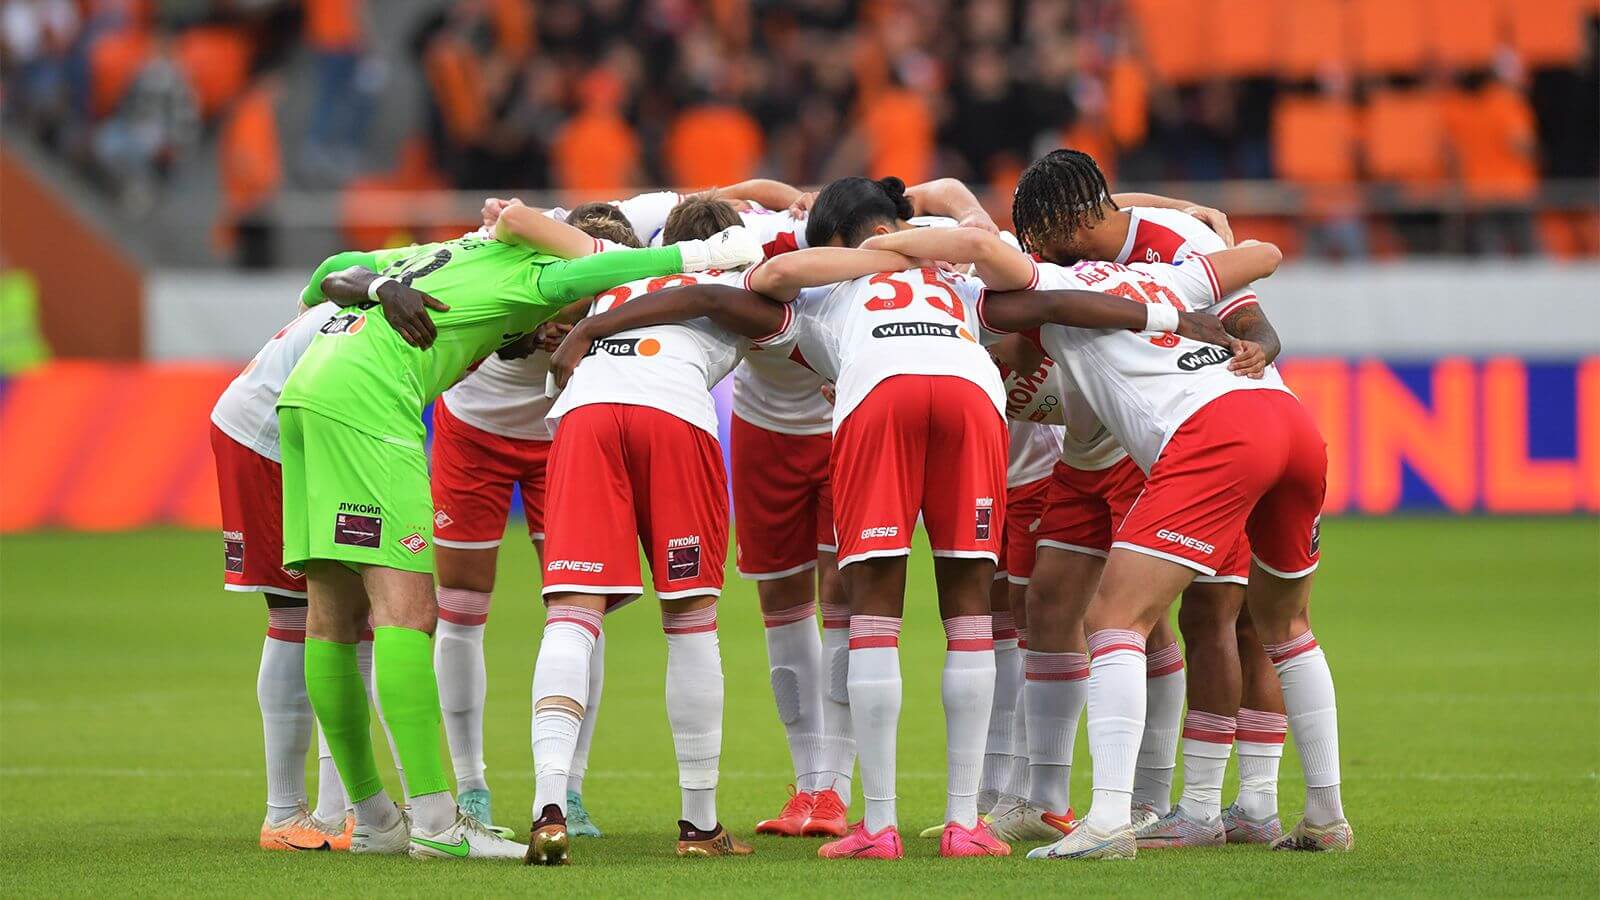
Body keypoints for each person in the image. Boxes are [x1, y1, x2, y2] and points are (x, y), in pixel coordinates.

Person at [277, 207, 762, 860]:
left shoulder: (447, 251)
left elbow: (328, 273)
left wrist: (380, 287)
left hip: (306, 396)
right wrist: (702, 256)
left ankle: (374, 818)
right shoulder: (539, 275)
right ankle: (439, 824)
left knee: (331, 616)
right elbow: (620, 265)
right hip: (377, 410)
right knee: (409, 613)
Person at [871, 222, 1349, 858]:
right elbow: (1263, 252)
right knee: (1282, 626)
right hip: (1277, 420)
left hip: (1204, 436)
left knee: (1137, 619)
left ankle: (1132, 814)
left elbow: (991, 260)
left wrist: (873, 250)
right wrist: (1169, 302)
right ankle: (1324, 816)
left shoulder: (1052, 281)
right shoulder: (1166, 272)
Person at [524, 215, 911, 864]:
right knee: (690, 621)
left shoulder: (619, 274)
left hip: (584, 416)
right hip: (674, 416)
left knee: (569, 616)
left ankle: (548, 807)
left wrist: (574, 326)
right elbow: (762, 311)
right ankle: (699, 824)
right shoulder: (742, 285)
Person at [1005, 148, 1289, 847]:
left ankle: (1163, 801)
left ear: (1072, 217)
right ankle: (1048, 799)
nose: (1033, 246)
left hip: (1177, 439)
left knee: (1203, 619)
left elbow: (1253, 310)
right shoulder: (1050, 260)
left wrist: (1261, 346)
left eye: (1042, 231)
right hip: (1088, 447)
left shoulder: (1179, 242)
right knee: (1051, 602)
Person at [210, 245, 446, 851]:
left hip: (302, 427)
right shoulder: (423, 300)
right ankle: (284, 812)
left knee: (350, 615)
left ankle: (339, 809)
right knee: (300, 615)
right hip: (268, 436)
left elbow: (323, 279)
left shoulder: (393, 281)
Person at [428, 200, 649, 838]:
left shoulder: (631, 246)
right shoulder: (504, 250)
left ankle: (569, 790)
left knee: (581, 609)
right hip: (473, 432)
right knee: (461, 607)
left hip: (565, 439)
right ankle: (471, 787)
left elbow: (711, 202)